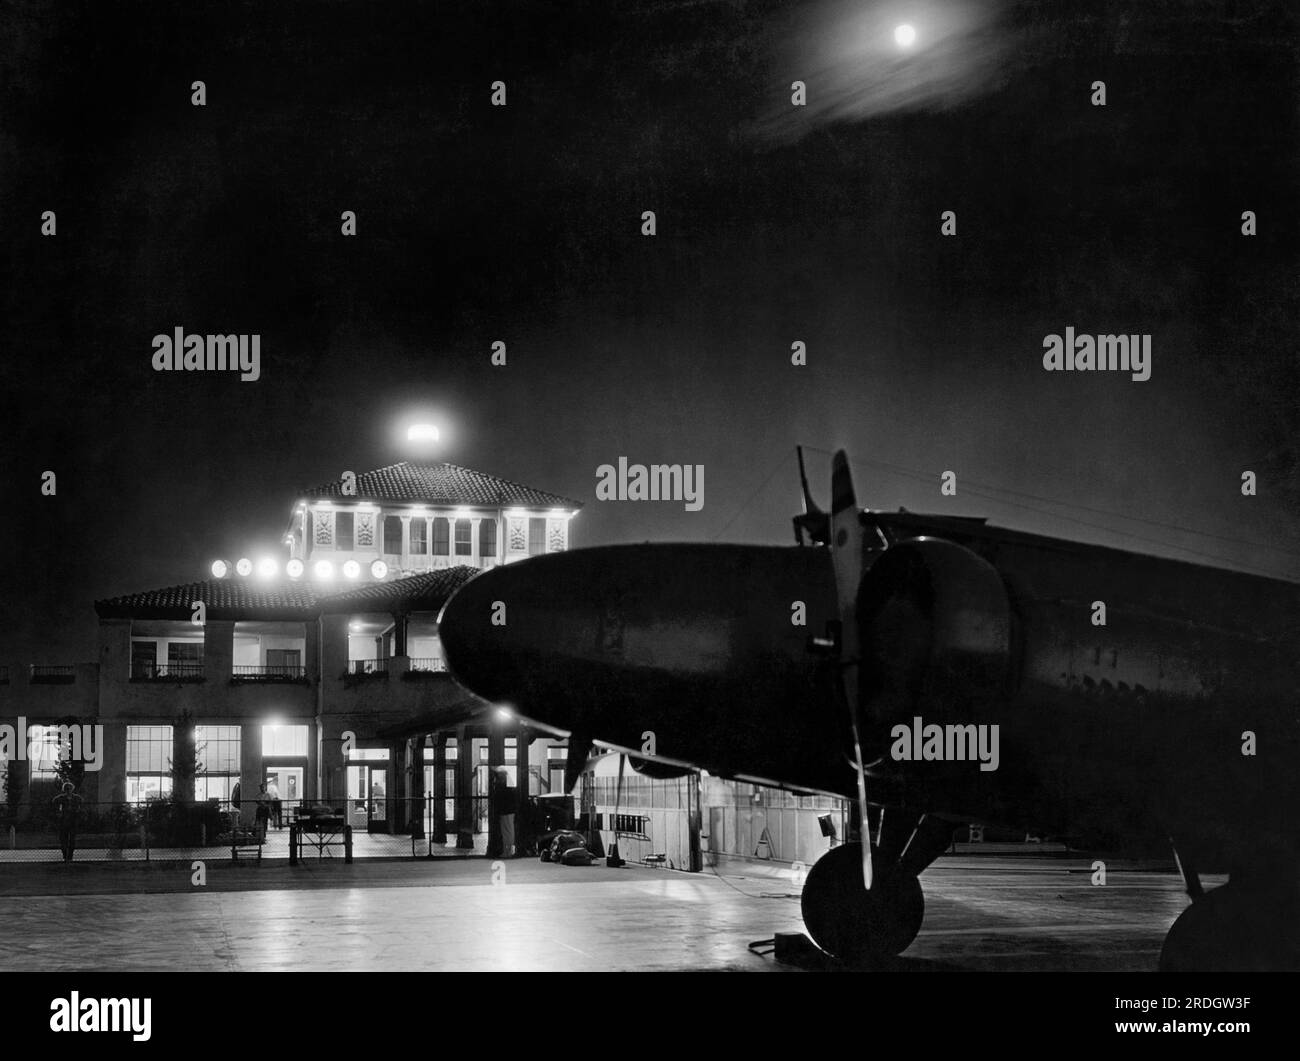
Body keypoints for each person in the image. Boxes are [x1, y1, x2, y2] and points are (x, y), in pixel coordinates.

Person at [52, 782, 83, 862]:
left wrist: (78, 810)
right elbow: (54, 801)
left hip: (72, 821)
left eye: (69, 788)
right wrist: (59, 812)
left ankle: (70, 856)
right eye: (67, 789)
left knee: (72, 839)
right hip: (64, 821)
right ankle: (65, 855)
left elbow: (81, 803)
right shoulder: (61, 798)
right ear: (64, 790)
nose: (68, 790)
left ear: (72, 789)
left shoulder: (76, 798)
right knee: (63, 839)